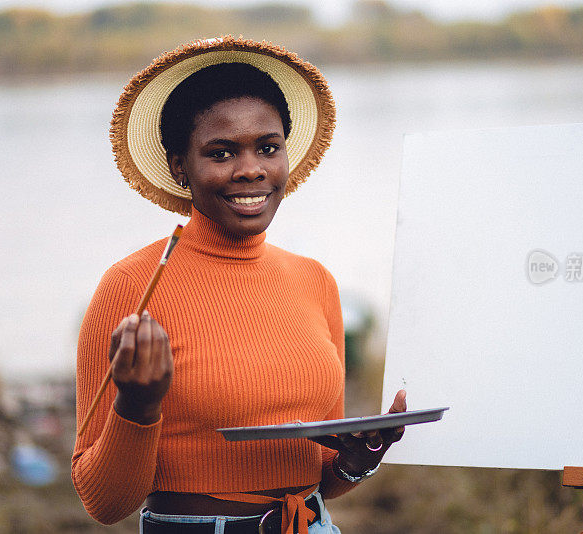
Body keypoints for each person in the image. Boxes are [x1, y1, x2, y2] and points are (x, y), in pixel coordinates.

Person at [72, 36, 407, 534]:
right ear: (179, 166)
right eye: (221, 152)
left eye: (268, 148)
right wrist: (136, 406)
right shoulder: (132, 288)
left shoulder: (314, 281)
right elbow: (103, 502)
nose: (251, 169)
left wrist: (358, 459)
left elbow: (318, 475)